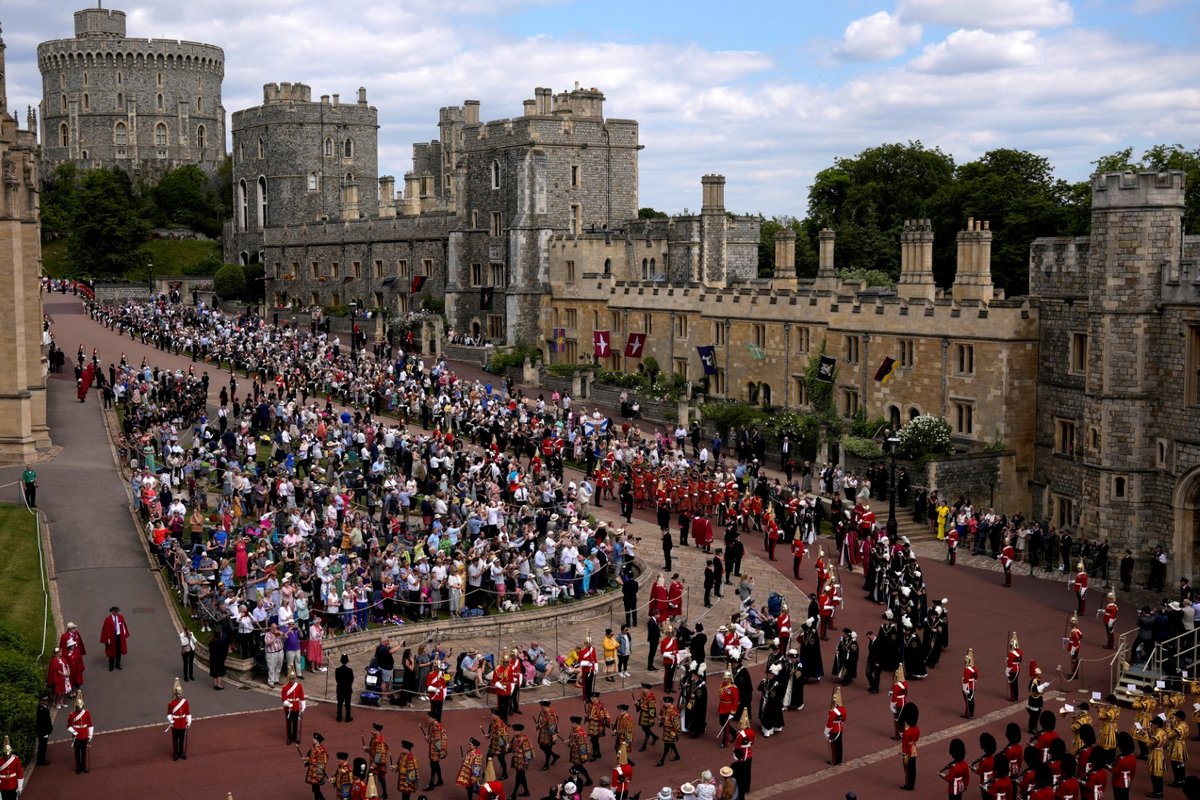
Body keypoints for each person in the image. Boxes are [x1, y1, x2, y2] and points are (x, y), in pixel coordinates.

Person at [68, 691, 93, 774]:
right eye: (79, 706)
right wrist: (74, 732)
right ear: (76, 706)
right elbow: (69, 726)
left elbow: (90, 724)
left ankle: (84, 766)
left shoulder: (86, 713)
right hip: (77, 736)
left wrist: (90, 735)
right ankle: (78, 766)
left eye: (81, 706)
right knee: (77, 752)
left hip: (84, 735)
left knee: (84, 751)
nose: (80, 707)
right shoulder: (72, 715)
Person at [730, 709, 754, 799]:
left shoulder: (740, 734)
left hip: (742, 753)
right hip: (749, 753)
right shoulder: (752, 732)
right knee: (748, 772)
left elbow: (737, 745)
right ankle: (747, 788)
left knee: (740, 772)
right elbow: (752, 742)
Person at [168, 677, 192, 761]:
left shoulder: (185, 702)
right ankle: (175, 753)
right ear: (175, 694)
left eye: (181, 693)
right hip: (175, 723)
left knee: (182, 739)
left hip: (182, 723)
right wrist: (170, 720)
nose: (180, 695)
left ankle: (181, 752)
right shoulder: (171, 703)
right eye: (178, 694)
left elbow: (188, 712)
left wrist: (189, 722)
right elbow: (169, 713)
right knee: (175, 740)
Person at [423, 711, 449, 791]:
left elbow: (438, 741)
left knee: (433, 765)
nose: (428, 719)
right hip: (434, 748)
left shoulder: (436, 727)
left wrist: (437, 754)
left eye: (430, 718)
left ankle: (431, 784)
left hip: (435, 750)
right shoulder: (434, 725)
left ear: (434, 718)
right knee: (436, 765)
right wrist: (429, 738)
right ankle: (440, 780)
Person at [283, 664, 307, 745]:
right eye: (291, 679)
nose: (293, 680)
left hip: (296, 707)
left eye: (294, 679)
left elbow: (302, 697)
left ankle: (294, 736)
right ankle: (289, 737)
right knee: (289, 723)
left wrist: (303, 707)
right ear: (289, 678)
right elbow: (283, 699)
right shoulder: (285, 687)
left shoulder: (299, 686)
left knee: (295, 723)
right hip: (288, 708)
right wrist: (288, 704)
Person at [100, 605, 130, 671]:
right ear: (112, 612)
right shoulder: (108, 619)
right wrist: (107, 639)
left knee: (119, 651)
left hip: (119, 636)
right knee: (111, 651)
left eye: (117, 612)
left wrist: (124, 634)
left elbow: (123, 625)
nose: (116, 613)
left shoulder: (121, 617)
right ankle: (111, 665)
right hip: (112, 637)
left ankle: (118, 664)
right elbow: (105, 630)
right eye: (115, 611)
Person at [509, 723, 534, 798]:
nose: (515, 732)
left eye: (516, 731)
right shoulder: (515, 738)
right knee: (521, 777)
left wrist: (526, 762)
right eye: (514, 730)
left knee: (519, 777)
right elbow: (511, 746)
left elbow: (528, 752)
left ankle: (514, 794)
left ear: (520, 731)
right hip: (516, 759)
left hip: (522, 761)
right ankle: (526, 791)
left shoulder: (524, 739)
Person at [899, 702, 920, 791]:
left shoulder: (907, 731)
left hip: (907, 752)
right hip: (914, 749)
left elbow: (905, 744)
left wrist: (904, 753)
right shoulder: (916, 729)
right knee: (913, 768)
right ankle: (911, 783)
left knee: (907, 768)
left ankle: (908, 784)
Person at [366, 722, 390, 799]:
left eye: (373, 730)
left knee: (381, 779)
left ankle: (384, 794)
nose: (371, 731)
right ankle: (372, 793)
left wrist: (373, 765)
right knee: (371, 777)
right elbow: (373, 749)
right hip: (374, 762)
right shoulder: (374, 739)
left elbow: (379, 756)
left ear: (378, 731)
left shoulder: (380, 742)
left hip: (379, 764)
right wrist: (367, 749)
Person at [535, 699, 561, 771]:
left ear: (545, 706)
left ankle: (546, 764)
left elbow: (552, 726)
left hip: (548, 734)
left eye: (541, 706)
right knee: (542, 746)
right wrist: (538, 724)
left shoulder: (551, 715)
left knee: (547, 748)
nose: (540, 707)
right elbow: (540, 720)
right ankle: (555, 756)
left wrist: (553, 736)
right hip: (543, 732)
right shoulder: (543, 712)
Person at [304, 732, 330, 800]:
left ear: (318, 741)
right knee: (315, 789)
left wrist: (308, 759)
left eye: (314, 738)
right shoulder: (313, 747)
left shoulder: (321, 751)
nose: (313, 739)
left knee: (316, 789)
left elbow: (321, 763)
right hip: (312, 772)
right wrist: (306, 759)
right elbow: (309, 754)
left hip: (317, 773)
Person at [656, 695, 680, 766]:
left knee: (667, 745)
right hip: (666, 730)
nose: (665, 704)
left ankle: (662, 760)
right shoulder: (664, 709)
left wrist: (676, 733)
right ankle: (677, 755)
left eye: (667, 702)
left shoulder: (674, 712)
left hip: (671, 731)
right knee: (671, 744)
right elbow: (663, 716)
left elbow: (676, 724)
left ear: (671, 703)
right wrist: (661, 720)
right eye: (665, 702)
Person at [825, 686, 846, 766]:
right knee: (839, 744)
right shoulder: (843, 709)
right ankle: (839, 759)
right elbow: (844, 718)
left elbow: (829, 723)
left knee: (834, 746)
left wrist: (826, 732)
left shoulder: (833, 711)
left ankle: (834, 760)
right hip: (840, 727)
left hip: (833, 729)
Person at [635, 684, 659, 752]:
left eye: (645, 688)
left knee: (646, 730)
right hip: (643, 714)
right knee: (644, 728)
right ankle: (654, 737)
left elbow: (652, 709)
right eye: (643, 688)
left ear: (649, 689)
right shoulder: (643, 695)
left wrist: (651, 719)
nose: (643, 689)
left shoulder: (651, 698)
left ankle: (644, 746)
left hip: (648, 715)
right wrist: (636, 703)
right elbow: (640, 702)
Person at [0, 736, 23, 800]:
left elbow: (20, 773)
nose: (7, 755)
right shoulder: (0, 761)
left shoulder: (15, 760)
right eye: (6, 754)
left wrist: (20, 787)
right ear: (3, 753)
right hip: (3, 785)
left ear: (11, 752)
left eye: (8, 753)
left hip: (13, 784)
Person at [336, 653, 354, 723]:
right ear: (347, 661)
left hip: (340, 688)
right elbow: (351, 680)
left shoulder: (337, 670)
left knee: (339, 703)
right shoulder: (350, 670)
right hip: (347, 689)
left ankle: (339, 717)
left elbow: (337, 679)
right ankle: (347, 717)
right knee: (347, 704)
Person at [35, 693, 52, 766]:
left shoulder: (43, 708)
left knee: (43, 746)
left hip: (44, 731)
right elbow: (43, 722)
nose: (46, 702)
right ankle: (41, 760)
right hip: (43, 731)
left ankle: (42, 759)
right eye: (44, 700)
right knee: (42, 746)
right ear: (41, 701)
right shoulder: (42, 709)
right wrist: (47, 731)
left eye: (47, 700)